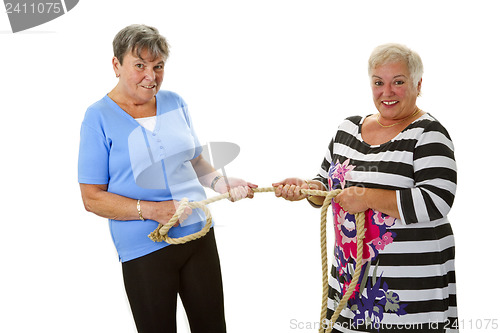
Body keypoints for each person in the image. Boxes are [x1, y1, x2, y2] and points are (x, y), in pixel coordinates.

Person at [78, 24, 256, 333]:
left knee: (213, 327)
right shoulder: (98, 118)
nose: (151, 76)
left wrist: (220, 183)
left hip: (198, 235)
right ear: (116, 65)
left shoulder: (175, 102)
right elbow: (92, 197)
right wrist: (152, 210)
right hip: (145, 247)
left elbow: (196, 160)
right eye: (140, 66)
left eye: (158, 66)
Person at [273, 43, 458, 332]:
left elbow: (436, 201)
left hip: (408, 292)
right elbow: (325, 184)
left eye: (398, 82)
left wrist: (368, 197)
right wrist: (307, 189)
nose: (387, 92)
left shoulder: (428, 134)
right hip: (350, 284)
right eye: (378, 82)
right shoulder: (347, 130)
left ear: (418, 84)